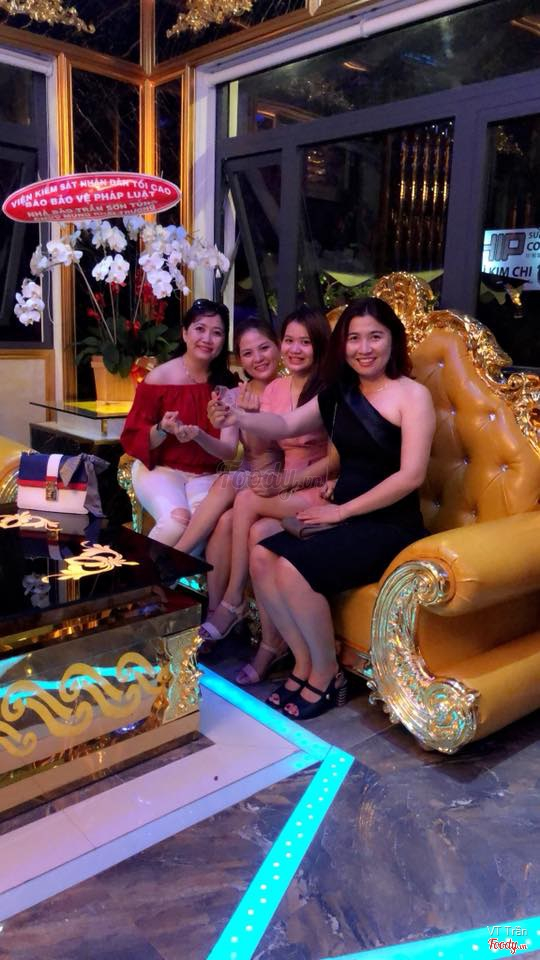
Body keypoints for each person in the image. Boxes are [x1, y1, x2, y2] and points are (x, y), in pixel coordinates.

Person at [209, 297, 436, 719]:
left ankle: (328, 675)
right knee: (262, 556)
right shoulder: (339, 392)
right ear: (342, 345)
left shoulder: (413, 395)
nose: (364, 348)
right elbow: (285, 424)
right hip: (344, 515)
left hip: (389, 524)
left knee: (293, 570)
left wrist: (342, 512)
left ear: (392, 340)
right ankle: (304, 662)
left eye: (374, 337)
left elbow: (411, 477)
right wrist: (238, 416)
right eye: (354, 338)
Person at [200, 305, 333, 667]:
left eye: (304, 342)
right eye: (289, 340)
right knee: (255, 532)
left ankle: (232, 602)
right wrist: (237, 416)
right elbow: (267, 444)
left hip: (317, 485)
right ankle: (271, 645)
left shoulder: (329, 388)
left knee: (244, 499)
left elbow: (334, 456)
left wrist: (280, 480)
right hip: (284, 488)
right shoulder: (275, 389)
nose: (294, 349)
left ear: (320, 345)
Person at [171, 317, 283, 618]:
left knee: (227, 481)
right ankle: (217, 612)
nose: (258, 358)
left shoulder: (289, 391)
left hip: (280, 479)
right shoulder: (235, 395)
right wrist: (199, 434)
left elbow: (283, 448)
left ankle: (176, 555)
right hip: (246, 479)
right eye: (247, 353)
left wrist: (252, 418)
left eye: (264, 348)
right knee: (224, 522)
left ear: (278, 347)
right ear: (240, 360)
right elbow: (227, 450)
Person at [120, 299, 238, 546]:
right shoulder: (159, 378)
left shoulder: (227, 385)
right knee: (177, 521)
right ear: (185, 333)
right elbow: (133, 439)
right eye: (199, 329)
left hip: (206, 475)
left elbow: (228, 451)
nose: (207, 338)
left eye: (217, 333)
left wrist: (199, 436)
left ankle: (160, 570)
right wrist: (163, 429)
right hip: (160, 469)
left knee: (206, 527)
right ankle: (142, 570)